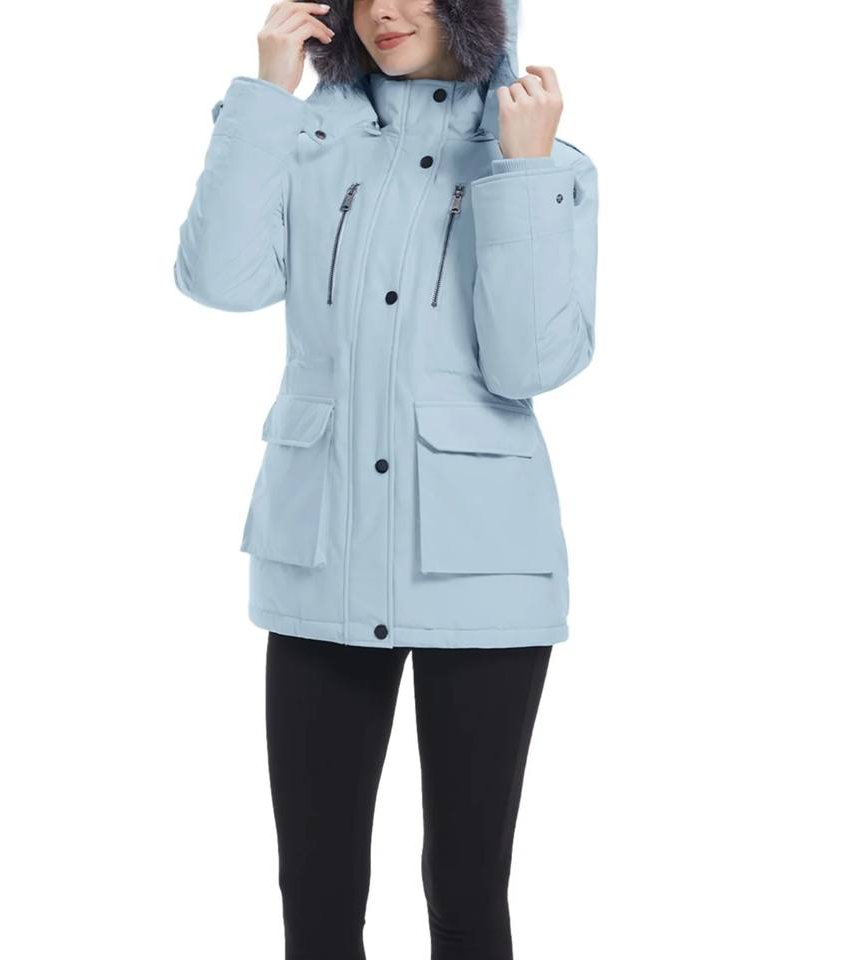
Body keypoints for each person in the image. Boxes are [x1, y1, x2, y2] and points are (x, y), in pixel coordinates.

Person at [174, 0, 599, 956]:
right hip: (322, 555)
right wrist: (265, 98)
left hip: (482, 567)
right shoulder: (305, 141)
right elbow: (220, 281)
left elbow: (531, 365)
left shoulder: (546, 164)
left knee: (467, 889)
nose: (386, 12)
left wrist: (522, 173)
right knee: (316, 892)